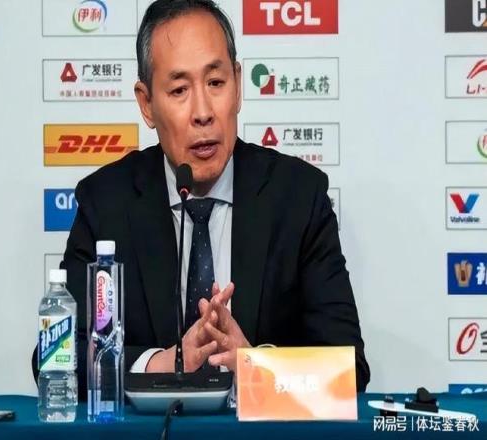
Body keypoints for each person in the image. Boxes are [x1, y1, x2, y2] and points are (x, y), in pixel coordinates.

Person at [32, 0, 370, 399]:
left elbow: (348, 368)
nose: (203, 112)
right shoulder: (106, 202)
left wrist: (254, 366)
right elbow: (55, 359)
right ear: (146, 104)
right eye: (179, 90)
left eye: (216, 83)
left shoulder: (298, 197)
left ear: (238, 85)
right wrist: (163, 365)